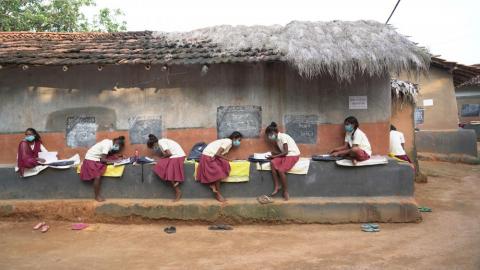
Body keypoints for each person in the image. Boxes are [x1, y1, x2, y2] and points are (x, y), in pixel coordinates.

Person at [196, 131, 243, 202]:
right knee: (218, 173)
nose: (239, 142)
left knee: (225, 165)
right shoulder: (228, 142)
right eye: (238, 140)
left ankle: (212, 184)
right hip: (207, 157)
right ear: (234, 138)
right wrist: (229, 159)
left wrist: (231, 159)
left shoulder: (228, 143)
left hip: (211, 156)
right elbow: (217, 154)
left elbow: (220, 154)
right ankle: (218, 194)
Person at [80, 136, 126, 202]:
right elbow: (103, 159)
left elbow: (107, 154)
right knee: (97, 176)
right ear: (116, 143)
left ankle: (97, 196)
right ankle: (97, 196)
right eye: (118, 147)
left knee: (114, 158)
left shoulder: (110, 143)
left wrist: (119, 157)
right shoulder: (107, 145)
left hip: (97, 158)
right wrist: (116, 161)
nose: (118, 148)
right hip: (90, 159)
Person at [264, 122, 301, 201]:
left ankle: (285, 191)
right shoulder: (277, 140)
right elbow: (283, 152)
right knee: (273, 162)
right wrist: (273, 154)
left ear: (275, 132)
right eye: (268, 135)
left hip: (293, 155)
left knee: (281, 170)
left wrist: (274, 156)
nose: (269, 136)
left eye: (270, 134)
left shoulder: (283, 136)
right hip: (285, 155)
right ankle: (277, 186)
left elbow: (286, 152)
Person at [147, 134, 186, 202]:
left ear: (154, 144)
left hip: (178, 156)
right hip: (175, 156)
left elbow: (169, 153)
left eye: (153, 147)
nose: (154, 149)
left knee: (165, 168)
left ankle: (177, 191)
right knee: (164, 167)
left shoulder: (161, 142)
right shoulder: (162, 142)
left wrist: (160, 159)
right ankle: (176, 187)